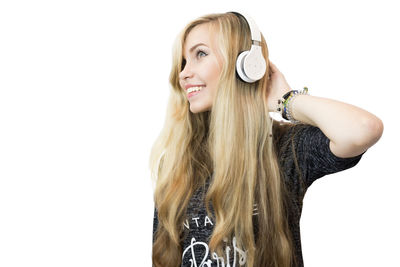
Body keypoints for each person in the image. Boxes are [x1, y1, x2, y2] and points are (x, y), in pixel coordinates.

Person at [149, 11, 383, 267]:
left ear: (247, 65)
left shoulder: (286, 148)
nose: (183, 73)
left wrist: (287, 101)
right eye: (183, 61)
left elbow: (363, 128)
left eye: (200, 54)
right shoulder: (176, 162)